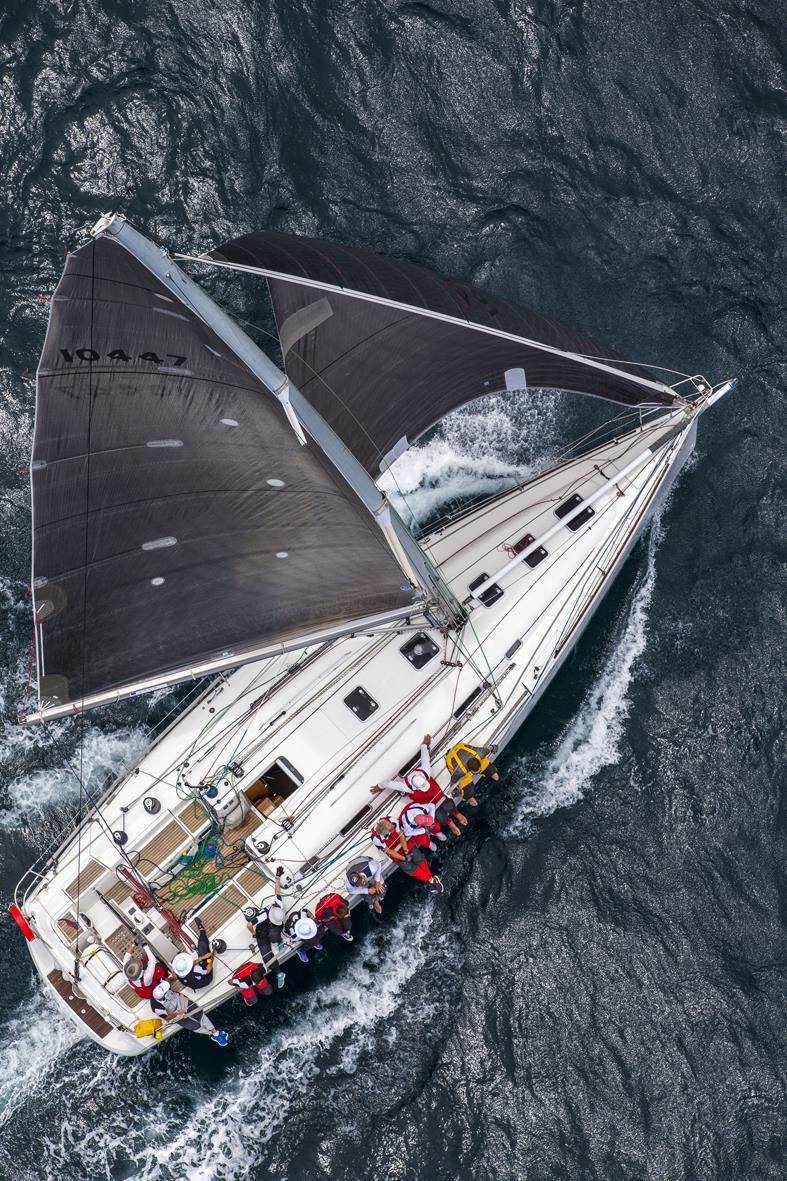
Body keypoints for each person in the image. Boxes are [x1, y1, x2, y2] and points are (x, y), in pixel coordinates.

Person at [370, 733, 466, 836]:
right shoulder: (406, 787)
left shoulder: (425, 771)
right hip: (426, 803)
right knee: (439, 816)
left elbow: (425, 758)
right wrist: (379, 786)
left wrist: (425, 745)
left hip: (436, 793)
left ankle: (457, 814)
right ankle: (450, 823)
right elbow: (390, 784)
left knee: (447, 803)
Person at [371, 816, 444, 893]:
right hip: (396, 854)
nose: (393, 829)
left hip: (407, 844)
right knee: (412, 869)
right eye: (391, 830)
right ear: (384, 833)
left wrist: (406, 852)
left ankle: (431, 879)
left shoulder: (392, 820)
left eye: (393, 828)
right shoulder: (375, 838)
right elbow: (389, 851)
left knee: (419, 859)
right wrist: (404, 858)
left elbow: (401, 835)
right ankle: (430, 879)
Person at [150, 979, 228, 1045]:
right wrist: (178, 1012)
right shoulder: (157, 1008)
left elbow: (167, 980)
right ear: (163, 996)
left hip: (183, 1001)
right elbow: (168, 1017)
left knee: (199, 1014)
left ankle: (216, 1034)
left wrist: (172, 977)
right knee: (194, 1026)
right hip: (175, 1015)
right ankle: (211, 1034)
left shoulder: (160, 986)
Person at [247, 870, 286, 968]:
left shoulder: (279, 904)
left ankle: (278, 941)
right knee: (265, 954)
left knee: (274, 934)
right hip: (262, 930)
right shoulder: (262, 915)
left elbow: (277, 891)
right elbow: (249, 925)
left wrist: (277, 877)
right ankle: (279, 973)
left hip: (273, 929)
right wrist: (253, 932)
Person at [446, 741, 500, 809]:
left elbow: (490, 748)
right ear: (470, 771)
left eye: (479, 770)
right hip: (450, 756)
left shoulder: (480, 753)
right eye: (476, 773)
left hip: (459, 747)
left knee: (492, 772)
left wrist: (494, 747)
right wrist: (454, 790)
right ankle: (469, 798)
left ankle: (494, 775)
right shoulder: (459, 772)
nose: (478, 773)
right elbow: (452, 782)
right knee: (469, 792)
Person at [172, 917, 214, 990]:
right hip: (206, 978)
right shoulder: (197, 970)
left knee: (202, 957)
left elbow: (192, 964)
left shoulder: (178, 971)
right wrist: (212, 956)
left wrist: (202, 957)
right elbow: (208, 970)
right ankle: (201, 928)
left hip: (193, 981)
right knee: (202, 945)